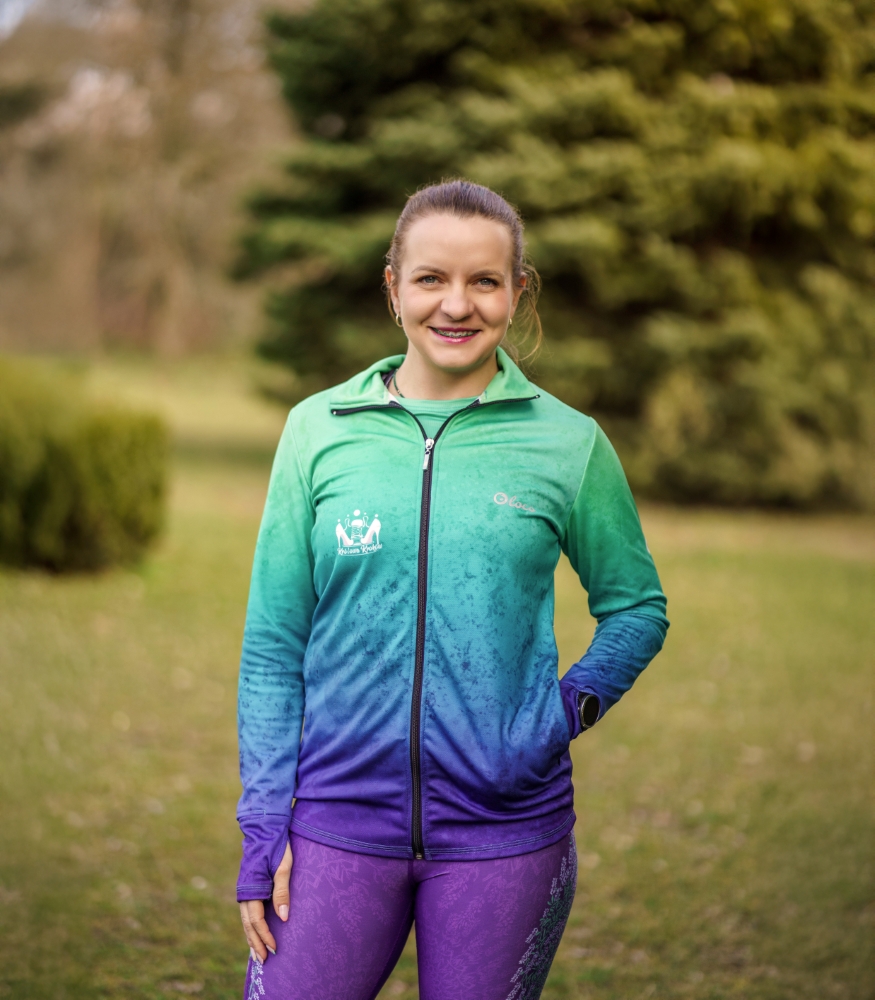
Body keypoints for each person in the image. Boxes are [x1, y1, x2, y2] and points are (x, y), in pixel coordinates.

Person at [235, 180, 668, 1000]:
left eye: (484, 281)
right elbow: (272, 647)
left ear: (518, 292)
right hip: (333, 821)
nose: (457, 305)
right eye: (431, 278)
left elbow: (635, 608)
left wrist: (562, 712)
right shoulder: (317, 431)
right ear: (392, 287)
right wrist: (263, 822)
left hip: (506, 833)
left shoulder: (568, 444)